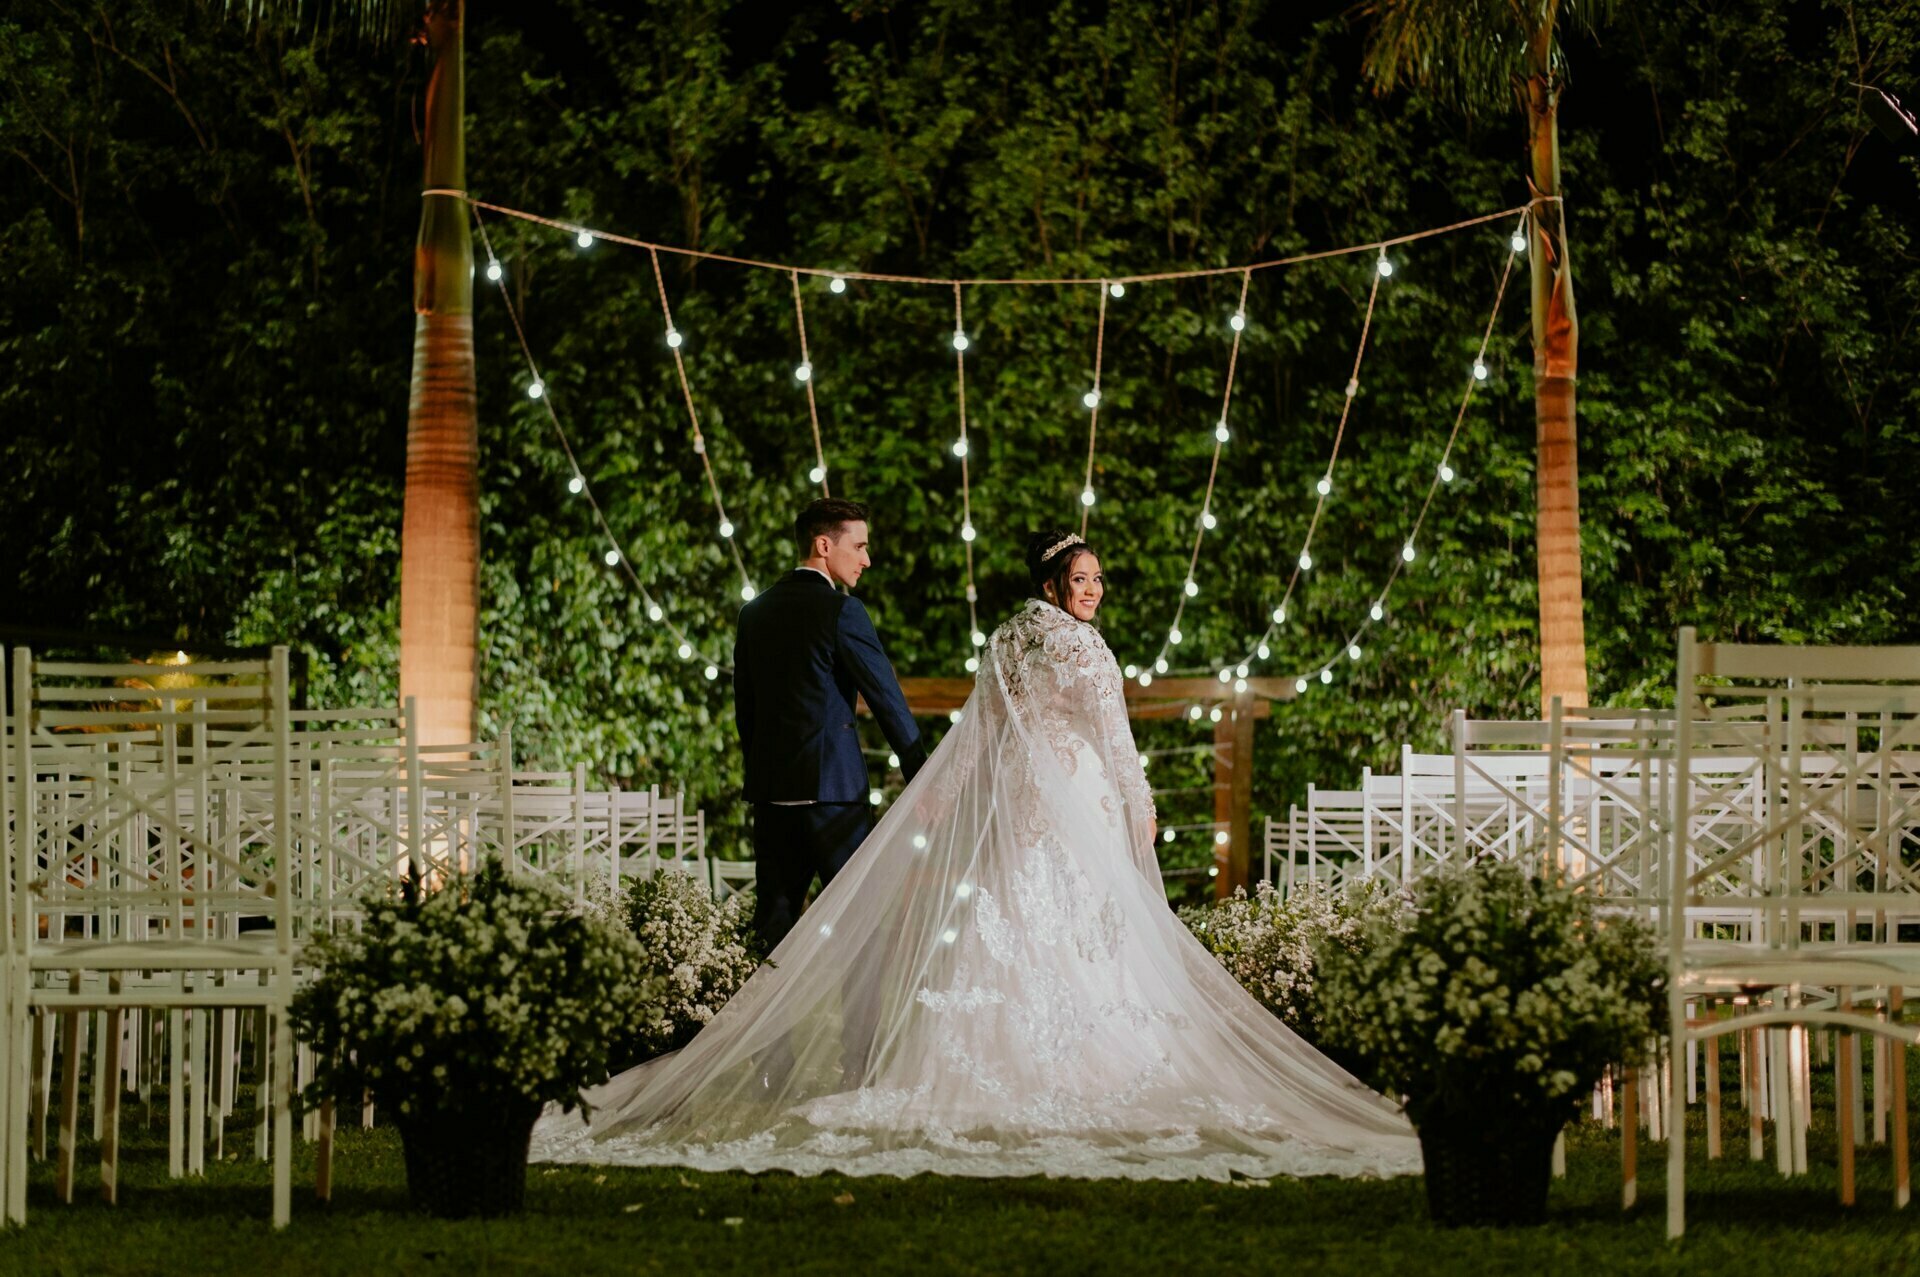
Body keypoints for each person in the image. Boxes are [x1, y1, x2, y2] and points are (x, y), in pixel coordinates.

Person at [531, 529, 1420, 1182]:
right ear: (1053, 579)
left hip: (1025, 802)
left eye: (1099, 580)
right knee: (1077, 923)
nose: (1094, 591)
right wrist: (1142, 806)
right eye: (1083, 578)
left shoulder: (1003, 640)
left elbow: (978, 731)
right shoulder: (1082, 646)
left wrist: (940, 799)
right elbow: (1113, 737)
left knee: (1014, 911)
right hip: (1077, 799)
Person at [733, 497, 927, 957]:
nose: (867, 558)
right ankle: (863, 1032)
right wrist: (923, 777)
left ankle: (763, 1031)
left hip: (772, 796)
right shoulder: (843, 611)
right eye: (858, 546)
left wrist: (765, 773)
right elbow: (886, 700)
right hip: (834, 799)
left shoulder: (753, 613)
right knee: (860, 933)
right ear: (824, 545)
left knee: (770, 934)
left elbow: (748, 713)